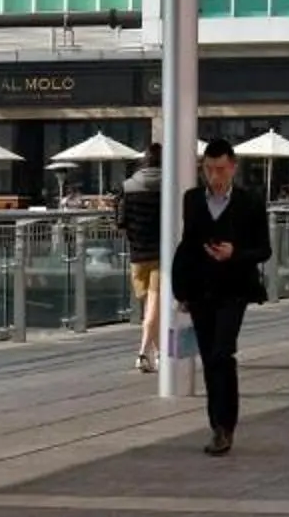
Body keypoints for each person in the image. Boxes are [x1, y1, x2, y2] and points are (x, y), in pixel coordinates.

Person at [171, 140, 271, 456]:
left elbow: (264, 249)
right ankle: (217, 426)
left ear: (233, 167)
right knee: (209, 358)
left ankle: (226, 425)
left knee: (222, 354)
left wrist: (235, 253)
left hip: (234, 289)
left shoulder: (250, 201)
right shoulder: (192, 200)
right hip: (201, 290)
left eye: (221, 169)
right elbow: (187, 246)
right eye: (209, 169)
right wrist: (181, 291)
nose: (215, 176)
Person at [115, 156, 165, 373]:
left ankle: (153, 353)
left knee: (148, 306)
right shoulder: (170, 185)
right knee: (153, 308)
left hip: (137, 253)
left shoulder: (126, 187)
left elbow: (119, 221)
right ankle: (147, 353)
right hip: (161, 252)